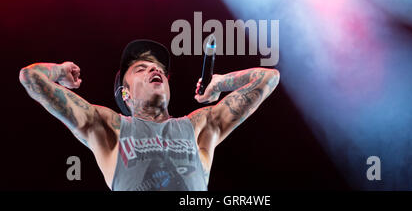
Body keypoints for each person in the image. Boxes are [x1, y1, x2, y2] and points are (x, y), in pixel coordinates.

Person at [19, 39, 280, 190]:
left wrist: (222, 83)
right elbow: (31, 77)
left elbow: (269, 78)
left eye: (157, 68)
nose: (154, 69)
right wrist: (60, 70)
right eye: (141, 68)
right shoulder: (109, 127)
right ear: (126, 93)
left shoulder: (198, 126)